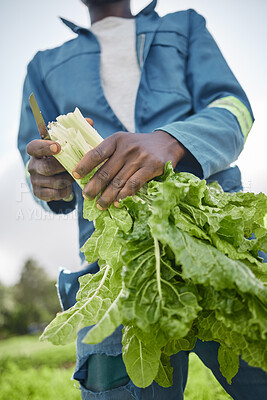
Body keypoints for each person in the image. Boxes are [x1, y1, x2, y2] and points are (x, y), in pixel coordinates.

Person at [18, 0, 267, 399]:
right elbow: (36, 165)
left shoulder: (184, 27)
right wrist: (50, 182)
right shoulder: (43, 66)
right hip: (117, 268)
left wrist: (172, 140)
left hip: (217, 237)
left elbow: (234, 109)